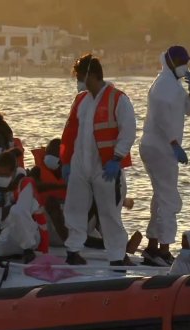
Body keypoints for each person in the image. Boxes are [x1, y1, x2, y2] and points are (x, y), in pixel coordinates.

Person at [60, 53, 137, 266]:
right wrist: (66, 161)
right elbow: (70, 131)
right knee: (74, 208)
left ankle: (117, 255)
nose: (78, 81)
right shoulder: (81, 100)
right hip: (80, 164)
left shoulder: (117, 99)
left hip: (105, 165)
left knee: (109, 211)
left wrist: (117, 158)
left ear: (91, 75)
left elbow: (128, 130)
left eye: (79, 76)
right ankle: (73, 250)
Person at [140, 46, 190, 267]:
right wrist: (175, 144)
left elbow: (189, 109)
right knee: (169, 199)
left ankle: (153, 247)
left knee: (160, 198)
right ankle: (163, 251)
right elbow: (163, 119)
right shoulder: (164, 86)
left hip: (160, 147)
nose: (186, 67)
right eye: (183, 62)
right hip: (160, 148)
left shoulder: (171, 84)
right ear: (172, 62)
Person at [0, 150, 48, 263]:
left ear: (14, 171)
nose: (1, 177)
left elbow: (20, 211)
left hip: (31, 235)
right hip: (10, 234)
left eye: (5, 175)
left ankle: (28, 250)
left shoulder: (25, 184)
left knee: (16, 210)